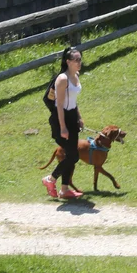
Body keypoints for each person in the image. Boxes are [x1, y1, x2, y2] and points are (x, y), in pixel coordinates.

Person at [42, 47, 84, 199]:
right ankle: (50, 179)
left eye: (80, 59)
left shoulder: (76, 75)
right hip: (62, 119)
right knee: (73, 156)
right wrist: (63, 127)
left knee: (71, 154)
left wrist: (79, 117)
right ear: (68, 62)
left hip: (72, 116)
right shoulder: (62, 79)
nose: (79, 62)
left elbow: (73, 100)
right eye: (76, 60)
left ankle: (64, 190)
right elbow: (59, 105)